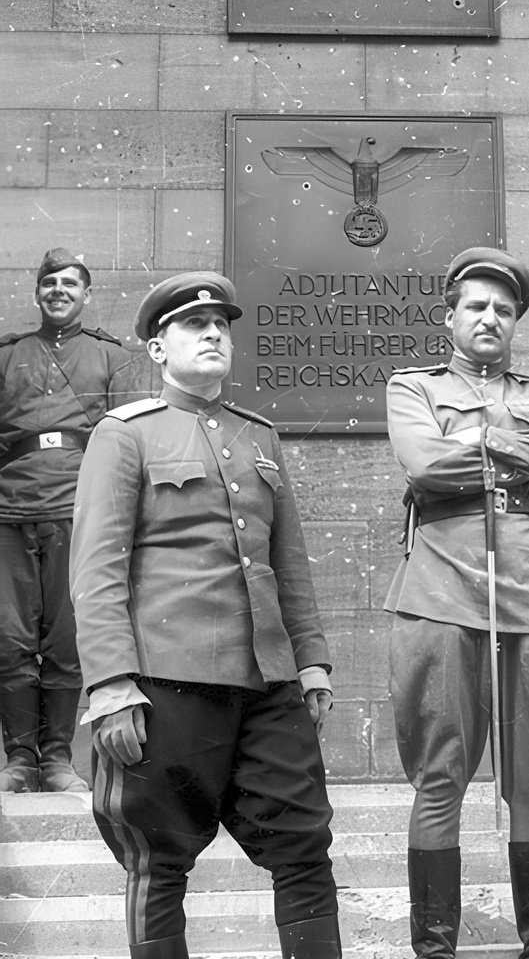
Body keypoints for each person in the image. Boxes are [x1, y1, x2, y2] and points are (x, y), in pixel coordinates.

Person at [69, 273, 340, 959]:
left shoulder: (259, 437)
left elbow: (289, 565)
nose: (214, 332)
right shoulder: (124, 435)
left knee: (305, 848)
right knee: (158, 859)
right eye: (195, 325)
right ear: (158, 349)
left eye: (222, 324)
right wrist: (109, 684)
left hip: (267, 683)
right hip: (165, 681)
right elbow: (96, 570)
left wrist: (310, 662)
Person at [384, 247, 529, 959]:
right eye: (475, 306)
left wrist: (485, 437)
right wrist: (524, 448)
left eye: (503, 309)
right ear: (449, 317)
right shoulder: (412, 387)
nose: (490, 318)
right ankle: (435, 946)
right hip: (442, 590)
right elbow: (424, 464)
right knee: (440, 776)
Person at [0, 247, 142, 793]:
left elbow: (128, 445)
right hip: (9, 510)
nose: (58, 290)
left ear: (87, 294)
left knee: (66, 639)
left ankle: (58, 760)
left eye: (69, 283)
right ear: (36, 292)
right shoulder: (9, 355)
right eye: (49, 283)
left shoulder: (111, 358)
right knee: (10, 637)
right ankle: (19, 760)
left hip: (79, 513)